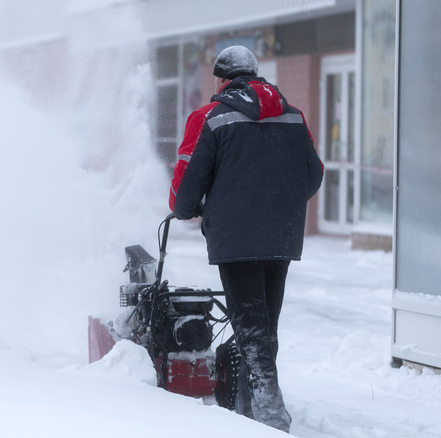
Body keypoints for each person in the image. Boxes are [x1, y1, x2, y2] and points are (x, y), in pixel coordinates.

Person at [168, 45, 323, 433]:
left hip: (236, 240)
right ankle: (245, 411)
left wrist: (194, 208)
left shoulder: (213, 118)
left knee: (251, 327)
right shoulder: (292, 115)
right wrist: (278, 204)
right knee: (262, 327)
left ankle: (271, 417)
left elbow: (187, 189)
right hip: (282, 236)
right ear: (256, 76)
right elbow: (314, 175)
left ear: (222, 80)